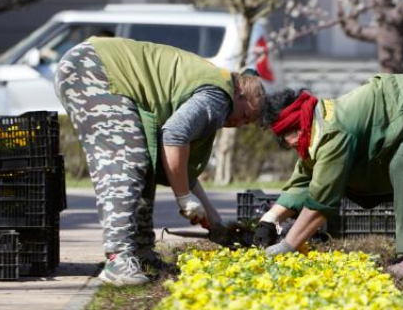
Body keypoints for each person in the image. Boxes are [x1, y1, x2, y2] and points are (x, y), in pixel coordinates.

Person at [55, 37, 265, 285]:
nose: (238, 125)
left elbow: (180, 169)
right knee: (126, 161)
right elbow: (174, 136)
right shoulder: (219, 96)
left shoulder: (215, 86)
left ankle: (141, 253)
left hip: (92, 65)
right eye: (245, 116)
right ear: (240, 93)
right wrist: (183, 198)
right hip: (93, 68)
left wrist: (214, 222)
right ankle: (117, 259)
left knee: (144, 160)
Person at [254, 63, 403, 277]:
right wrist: (270, 218)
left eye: (286, 138)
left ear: (297, 124)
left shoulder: (330, 131)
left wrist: (287, 246)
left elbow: (322, 200)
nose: (289, 145)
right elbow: (306, 176)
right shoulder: (317, 120)